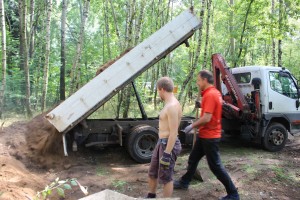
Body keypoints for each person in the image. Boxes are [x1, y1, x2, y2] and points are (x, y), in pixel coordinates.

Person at [173, 70, 240, 200]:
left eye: (198, 80)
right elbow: (212, 110)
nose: (197, 83)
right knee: (193, 159)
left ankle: (233, 194)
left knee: (215, 166)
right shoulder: (214, 93)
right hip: (205, 135)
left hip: (210, 137)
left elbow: (207, 118)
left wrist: (191, 126)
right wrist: (201, 105)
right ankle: (184, 182)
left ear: (204, 80)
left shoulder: (210, 94)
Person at [146, 77, 182, 198]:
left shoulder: (172, 106)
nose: (158, 93)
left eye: (158, 91)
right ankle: (151, 195)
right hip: (161, 143)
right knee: (152, 172)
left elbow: (173, 132)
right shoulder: (169, 104)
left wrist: (167, 154)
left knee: (166, 177)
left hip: (168, 145)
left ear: (161, 89)